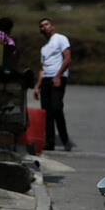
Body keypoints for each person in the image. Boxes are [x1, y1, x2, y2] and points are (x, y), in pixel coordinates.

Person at [33, 18, 73, 151]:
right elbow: (41, 68)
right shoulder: (43, 48)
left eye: (46, 24)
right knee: (47, 112)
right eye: (41, 26)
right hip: (45, 80)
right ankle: (49, 142)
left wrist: (58, 76)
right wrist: (37, 86)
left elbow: (67, 58)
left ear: (52, 26)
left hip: (57, 78)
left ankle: (65, 140)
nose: (44, 27)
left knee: (56, 108)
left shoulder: (60, 39)